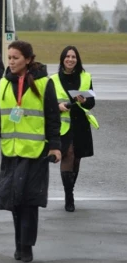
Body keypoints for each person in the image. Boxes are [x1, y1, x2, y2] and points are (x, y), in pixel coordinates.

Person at [0, 40, 62, 262]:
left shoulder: (44, 83)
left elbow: (52, 118)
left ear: (28, 60)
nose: (11, 61)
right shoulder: (3, 83)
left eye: (16, 57)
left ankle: (26, 247)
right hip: (12, 152)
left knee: (29, 202)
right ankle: (19, 241)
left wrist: (55, 147)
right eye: (9, 57)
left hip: (35, 152)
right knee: (14, 201)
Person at [50, 46, 98, 212]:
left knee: (76, 159)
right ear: (62, 59)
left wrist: (84, 101)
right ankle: (68, 195)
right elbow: (47, 103)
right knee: (68, 155)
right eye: (67, 56)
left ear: (77, 60)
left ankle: (71, 188)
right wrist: (59, 105)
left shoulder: (85, 77)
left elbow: (92, 103)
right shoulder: (54, 79)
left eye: (73, 57)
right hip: (64, 126)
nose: (70, 59)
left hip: (81, 125)